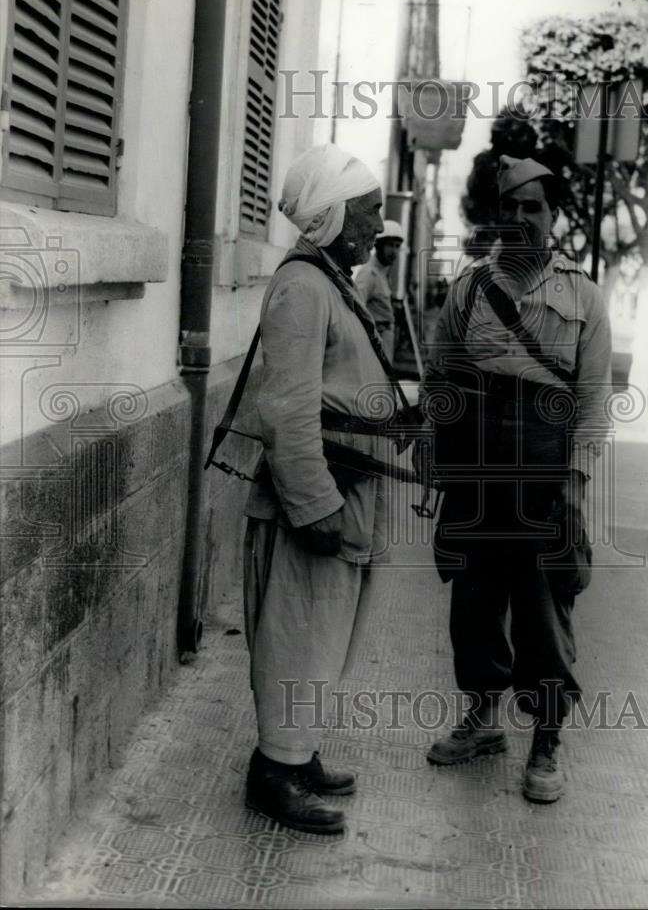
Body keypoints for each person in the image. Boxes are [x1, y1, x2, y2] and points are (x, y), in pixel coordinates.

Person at [417, 155, 612, 803]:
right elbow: (441, 377)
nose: (522, 218)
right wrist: (432, 449)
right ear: (496, 214)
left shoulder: (582, 294)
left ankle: (547, 739)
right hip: (475, 469)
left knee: (541, 606)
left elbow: (592, 400)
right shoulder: (469, 288)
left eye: (535, 207)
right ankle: (480, 721)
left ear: (553, 216)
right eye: (512, 206)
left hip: (544, 471)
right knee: (472, 602)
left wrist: (576, 482)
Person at [243, 143, 391, 834]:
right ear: (330, 216)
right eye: (367, 213)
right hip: (317, 496)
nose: (377, 227)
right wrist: (314, 505)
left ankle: (295, 754)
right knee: (296, 632)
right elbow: (286, 407)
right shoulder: (303, 288)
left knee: (321, 634)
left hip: (344, 491)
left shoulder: (330, 282)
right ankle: (271, 773)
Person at [354, 219, 403, 361]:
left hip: (385, 340)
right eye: (390, 245)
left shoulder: (383, 274)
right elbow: (356, 310)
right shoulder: (369, 273)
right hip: (374, 343)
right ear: (379, 245)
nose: (394, 251)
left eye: (397, 246)